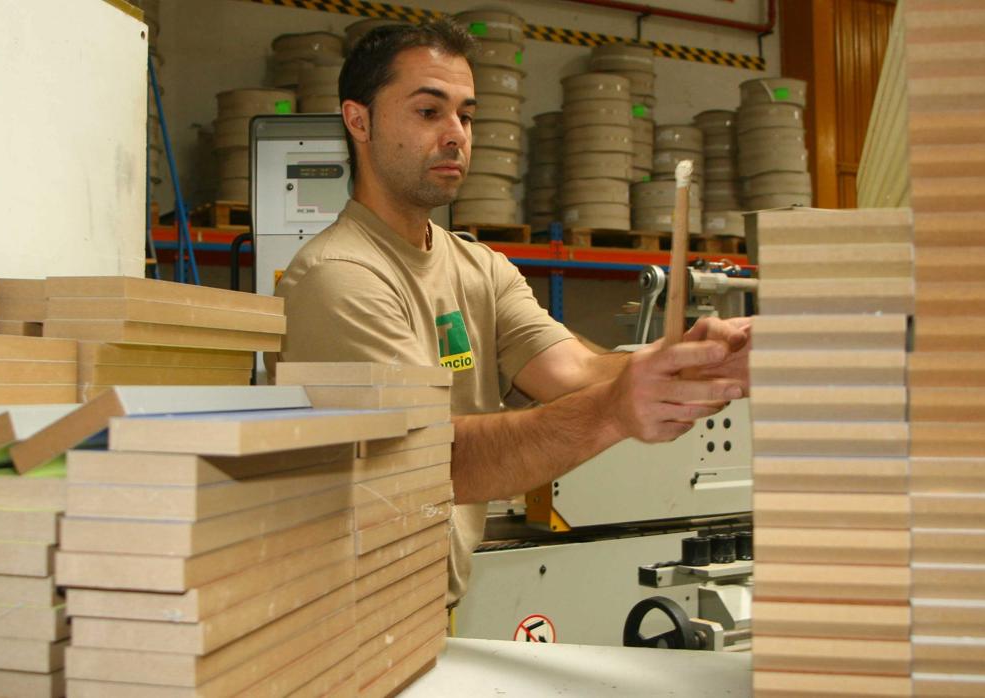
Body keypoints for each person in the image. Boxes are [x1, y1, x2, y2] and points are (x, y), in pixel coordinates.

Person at [272, 19, 752, 606]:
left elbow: (571, 369)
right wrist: (614, 411)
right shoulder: (338, 278)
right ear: (359, 121)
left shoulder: (479, 268)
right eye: (429, 112)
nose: (456, 135)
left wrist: (689, 360)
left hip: (428, 607)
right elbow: (429, 460)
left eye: (466, 116)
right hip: (353, 616)